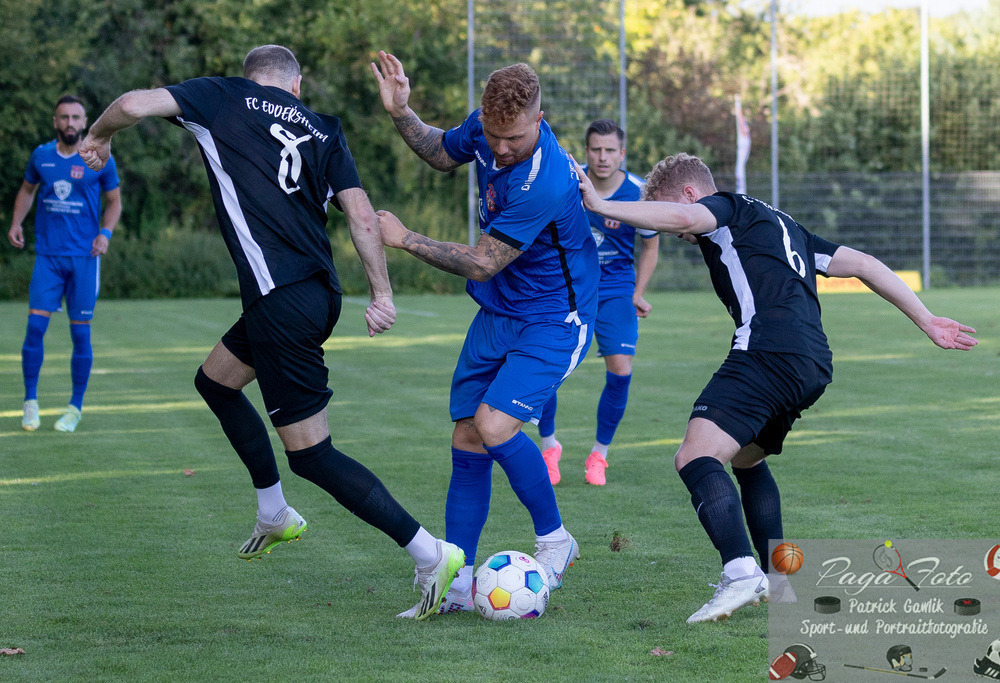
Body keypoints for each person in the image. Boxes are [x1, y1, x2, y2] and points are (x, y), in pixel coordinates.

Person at [77, 45, 464, 620]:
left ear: (248, 75)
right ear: (297, 86)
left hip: (282, 301)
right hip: (309, 295)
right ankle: (273, 511)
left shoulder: (221, 97)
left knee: (313, 456)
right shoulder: (323, 129)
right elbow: (361, 215)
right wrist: (381, 293)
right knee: (215, 382)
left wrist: (102, 136)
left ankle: (431, 554)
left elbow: (132, 103)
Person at [574, 152, 977, 623]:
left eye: (666, 212)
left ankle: (742, 572)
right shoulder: (783, 223)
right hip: (811, 361)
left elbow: (686, 216)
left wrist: (602, 205)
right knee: (747, 457)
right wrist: (926, 319)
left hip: (767, 350)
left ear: (689, 193)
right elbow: (865, 264)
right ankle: (778, 581)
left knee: (694, 456)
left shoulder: (724, 209)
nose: (675, 231)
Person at [371, 51, 598, 614]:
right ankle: (456, 581)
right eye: (494, 135)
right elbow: (441, 151)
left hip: (554, 318)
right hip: (499, 313)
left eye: (514, 138)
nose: (500, 148)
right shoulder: (487, 127)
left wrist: (404, 239)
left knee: (494, 425)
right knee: (467, 437)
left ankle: (555, 541)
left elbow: (480, 262)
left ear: (539, 121)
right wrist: (402, 112)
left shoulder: (543, 179)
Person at [537, 119, 659, 487]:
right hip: (568, 287)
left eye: (610, 151)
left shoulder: (639, 191)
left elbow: (651, 244)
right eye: (596, 150)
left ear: (622, 154)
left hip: (617, 288)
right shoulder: (568, 183)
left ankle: (598, 455)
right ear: (586, 151)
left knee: (621, 370)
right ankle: (548, 447)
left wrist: (638, 291)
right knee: (543, 366)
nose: (603, 157)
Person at [8, 95, 122, 433]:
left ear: (85, 122)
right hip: (48, 257)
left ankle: (75, 407)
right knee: (35, 329)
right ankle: (30, 403)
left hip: (84, 259)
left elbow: (114, 202)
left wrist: (105, 233)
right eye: (63, 117)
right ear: (55, 122)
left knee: (79, 335)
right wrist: (16, 222)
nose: (70, 123)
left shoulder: (100, 158)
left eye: (75, 117)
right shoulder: (41, 156)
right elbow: (27, 191)